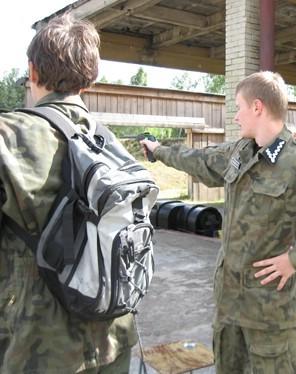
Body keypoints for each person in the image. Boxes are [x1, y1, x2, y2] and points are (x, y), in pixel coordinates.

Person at [141, 71, 296, 373]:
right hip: (230, 306)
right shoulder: (241, 152)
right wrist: (158, 151)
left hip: (271, 312)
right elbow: (200, 160)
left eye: (239, 107)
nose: (236, 117)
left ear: (258, 107)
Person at [0, 15, 136, 373]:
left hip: (40, 348)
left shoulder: (8, 136)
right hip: (115, 336)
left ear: (32, 71)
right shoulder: (109, 143)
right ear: (89, 78)